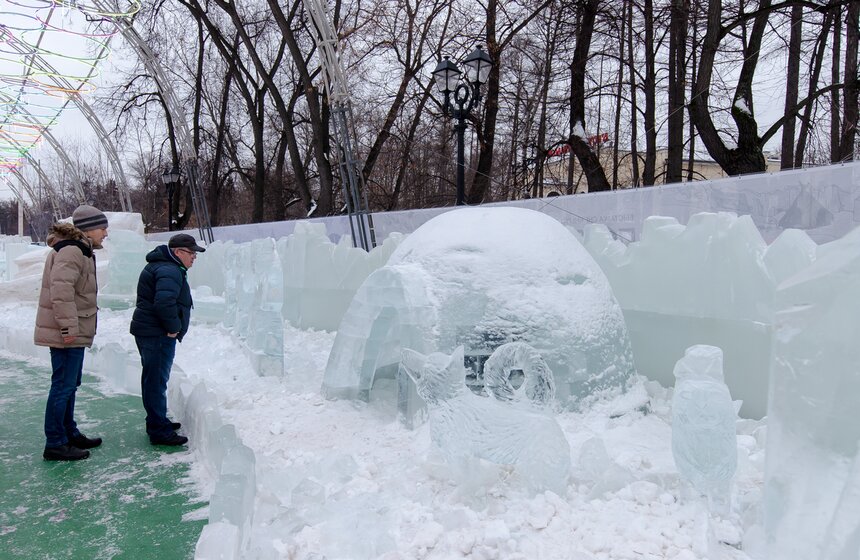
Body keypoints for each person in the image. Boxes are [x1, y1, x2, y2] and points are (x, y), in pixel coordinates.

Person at [35, 205, 109, 461]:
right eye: (102, 228)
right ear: (88, 229)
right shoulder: (71, 250)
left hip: (74, 328)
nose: (105, 233)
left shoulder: (80, 250)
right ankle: (55, 442)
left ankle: (68, 433)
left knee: (69, 384)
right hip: (67, 332)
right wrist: (68, 327)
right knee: (63, 386)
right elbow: (61, 292)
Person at [130, 233, 205, 446]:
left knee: (153, 379)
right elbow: (164, 302)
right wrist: (173, 328)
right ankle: (158, 430)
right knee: (155, 381)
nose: (194, 257)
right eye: (191, 253)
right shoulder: (169, 270)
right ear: (178, 252)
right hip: (157, 333)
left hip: (150, 331)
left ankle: (157, 421)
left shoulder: (163, 266)